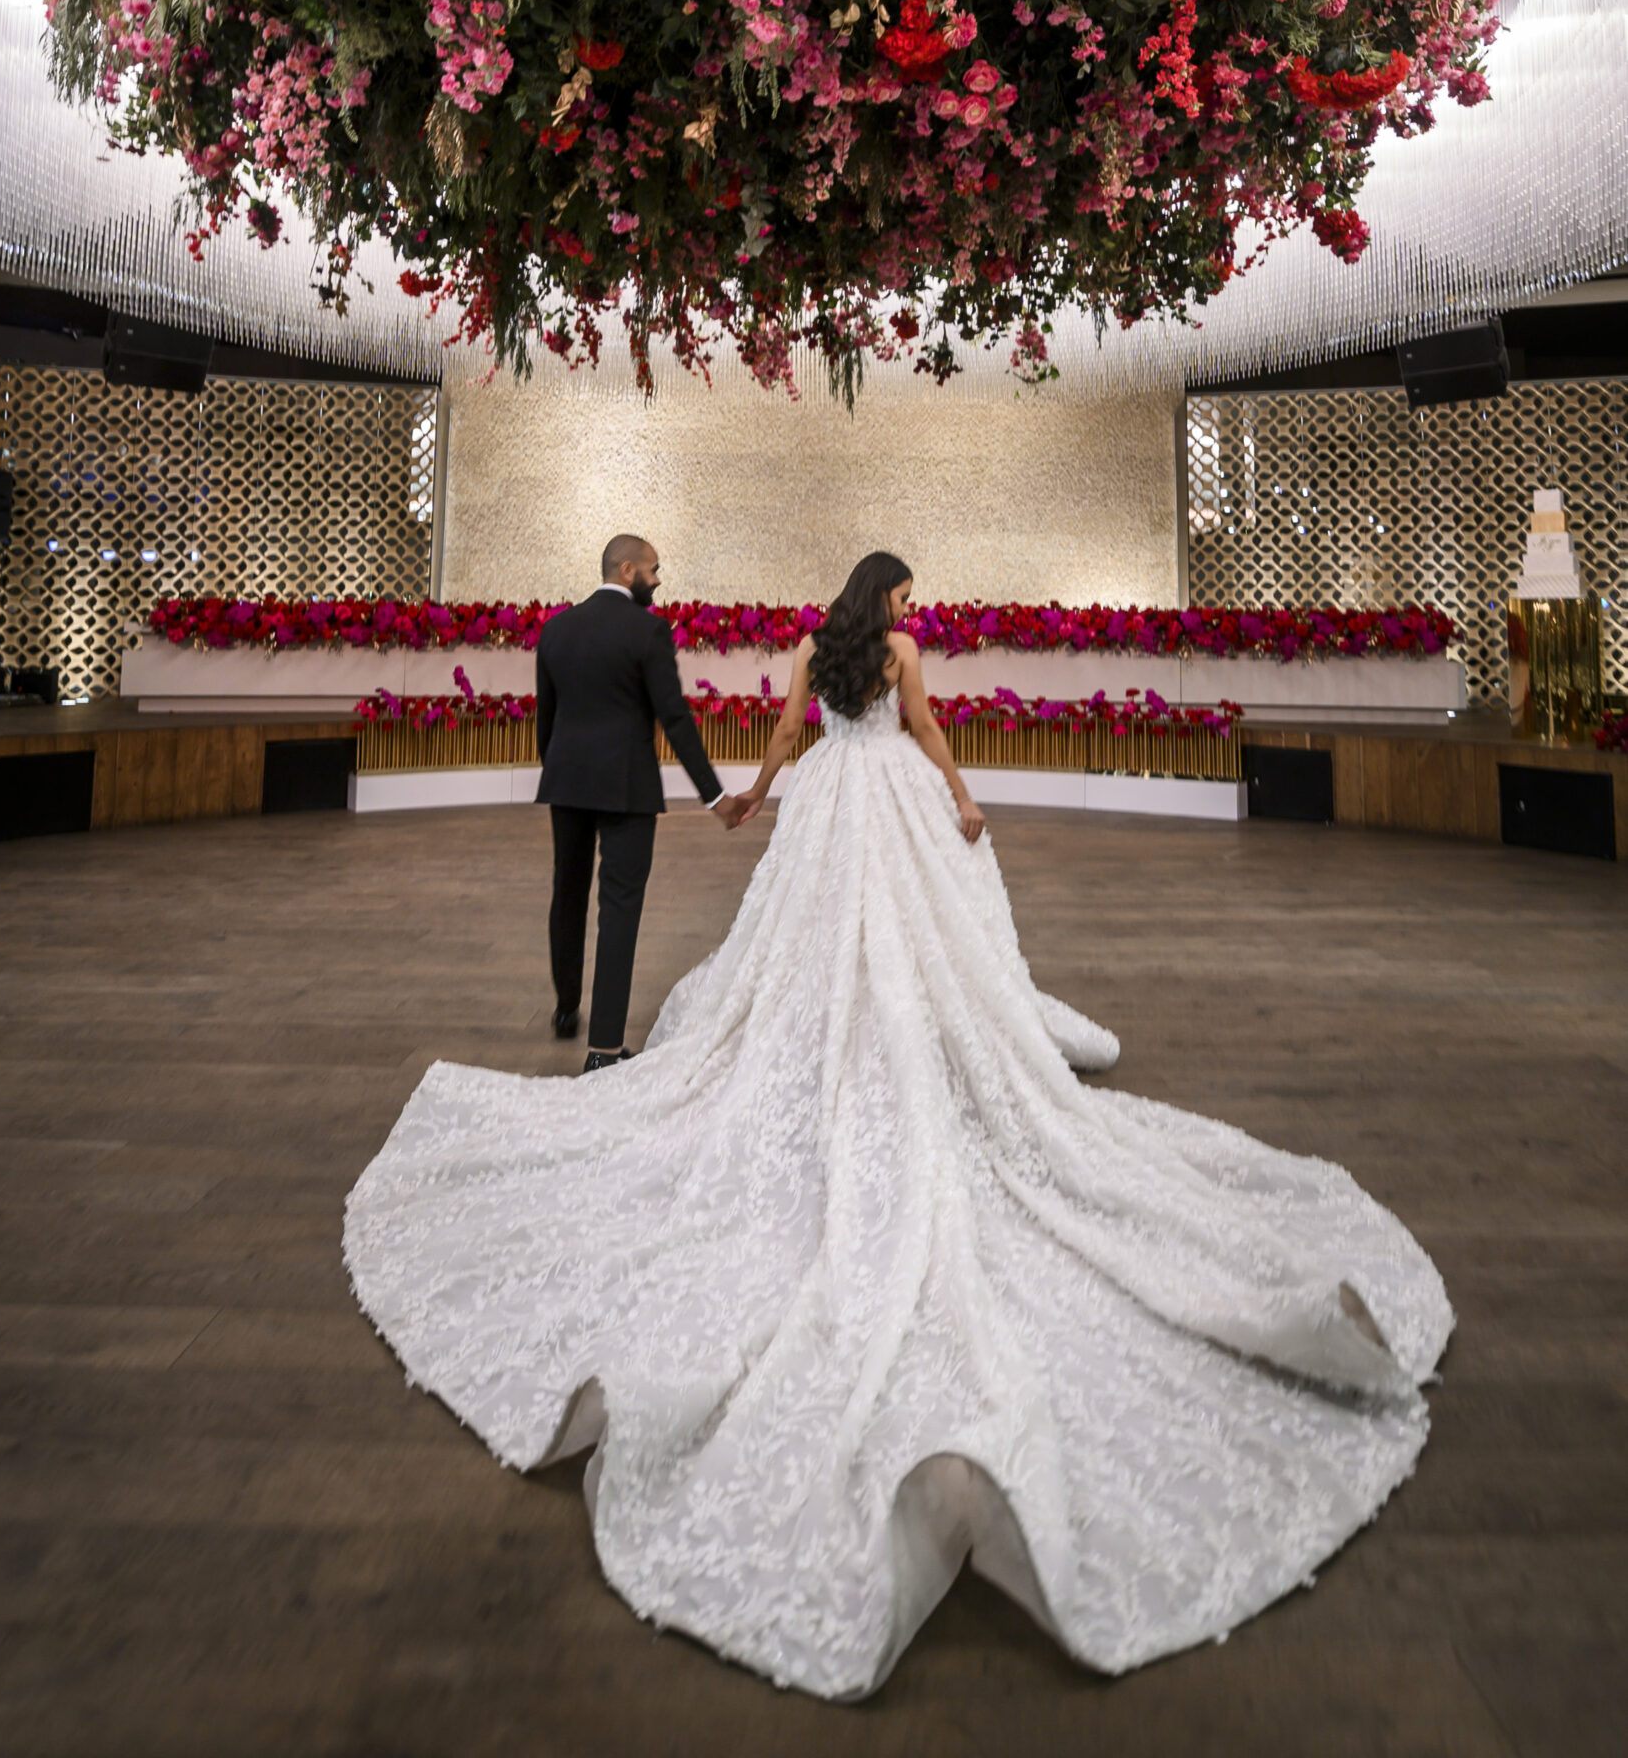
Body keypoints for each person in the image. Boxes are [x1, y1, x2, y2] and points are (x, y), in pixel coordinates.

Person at [347, 549, 1452, 1696]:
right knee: (905, 947)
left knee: (812, 947)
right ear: (887, 602)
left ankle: (829, 1033)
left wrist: (758, 800)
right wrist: (965, 798)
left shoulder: (810, 654)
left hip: (827, 807)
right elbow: (926, 736)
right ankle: (879, 1041)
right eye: (911, 594)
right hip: (885, 807)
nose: (919, 610)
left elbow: (785, 737)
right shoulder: (902, 656)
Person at [535, 533, 734, 1071]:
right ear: (628, 570)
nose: (658, 579)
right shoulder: (648, 630)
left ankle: (565, 1007)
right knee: (619, 908)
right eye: (653, 569)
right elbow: (674, 717)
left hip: (567, 780)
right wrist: (714, 795)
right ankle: (603, 1049)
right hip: (627, 785)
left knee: (568, 891)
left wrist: (556, 770)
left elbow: (546, 719)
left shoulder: (555, 630)